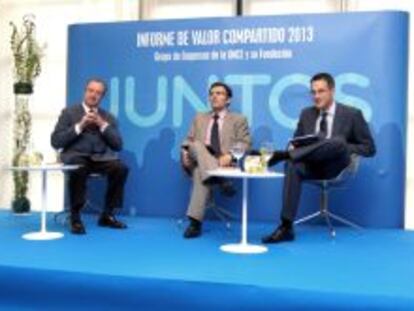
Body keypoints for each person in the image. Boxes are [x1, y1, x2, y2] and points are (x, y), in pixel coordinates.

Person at [262, 72, 376, 244]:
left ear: (332, 91)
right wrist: (296, 147)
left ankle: (283, 156)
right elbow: (297, 142)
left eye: (321, 91)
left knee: (337, 141)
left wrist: (343, 146)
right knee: (293, 164)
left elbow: (369, 148)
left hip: (336, 166)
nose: (316, 96)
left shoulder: (352, 114)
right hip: (311, 164)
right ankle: (286, 226)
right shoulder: (306, 114)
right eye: (313, 92)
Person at [51, 78, 129, 234]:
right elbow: (56, 141)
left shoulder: (108, 117)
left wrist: (102, 124)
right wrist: (80, 126)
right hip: (76, 156)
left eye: (98, 93)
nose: (93, 95)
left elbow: (118, 145)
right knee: (79, 167)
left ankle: (107, 215)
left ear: (102, 97)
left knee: (121, 168)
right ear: (85, 91)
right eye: (91, 90)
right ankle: (75, 216)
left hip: (101, 159)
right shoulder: (69, 113)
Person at [181, 82, 251, 238]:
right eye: (212, 93)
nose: (214, 96)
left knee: (201, 171)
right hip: (200, 157)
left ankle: (195, 223)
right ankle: (220, 180)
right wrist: (184, 152)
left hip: (222, 163)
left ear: (228, 100)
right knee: (197, 145)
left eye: (219, 93)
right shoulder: (199, 117)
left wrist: (231, 155)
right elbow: (187, 141)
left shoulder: (238, 119)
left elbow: (245, 143)